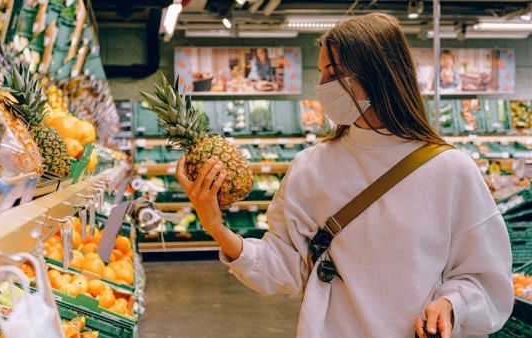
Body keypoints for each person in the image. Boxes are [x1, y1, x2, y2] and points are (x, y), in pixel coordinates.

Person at [175, 13, 514, 338]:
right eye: (322, 73)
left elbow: (486, 279)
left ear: (378, 74)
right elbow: (282, 269)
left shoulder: (451, 171)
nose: (322, 87)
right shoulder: (312, 167)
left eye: (333, 73)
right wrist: (216, 227)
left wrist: (452, 305)